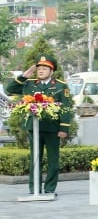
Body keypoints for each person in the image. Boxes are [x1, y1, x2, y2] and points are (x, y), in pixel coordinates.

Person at [6, 55, 73, 195]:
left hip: (52, 129)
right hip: (34, 128)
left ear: (51, 71)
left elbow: (66, 108)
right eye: (39, 68)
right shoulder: (29, 84)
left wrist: (64, 128)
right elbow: (10, 89)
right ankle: (34, 188)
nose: (40, 71)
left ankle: (49, 188)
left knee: (53, 160)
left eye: (44, 68)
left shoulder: (60, 86)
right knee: (35, 159)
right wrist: (24, 75)